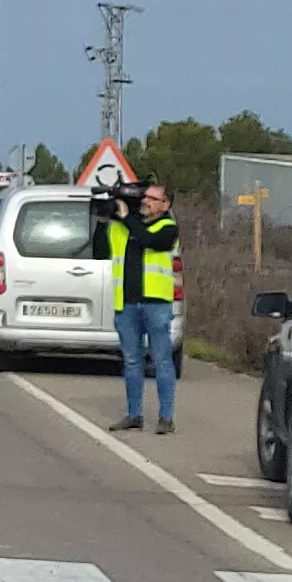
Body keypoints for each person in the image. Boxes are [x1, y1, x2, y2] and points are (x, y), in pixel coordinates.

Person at [102, 179, 182, 432]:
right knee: (131, 361)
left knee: (161, 361)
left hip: (156, 304)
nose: (146, 201)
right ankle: (133, 414)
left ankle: (166, 418)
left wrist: (127, 216)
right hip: (126, 303)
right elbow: (100, 248)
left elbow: (149, 239)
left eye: (152, 198)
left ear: (165, 205)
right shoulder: (124, 226)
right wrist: (108, 215)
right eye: (144, 197)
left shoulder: (167, 227)